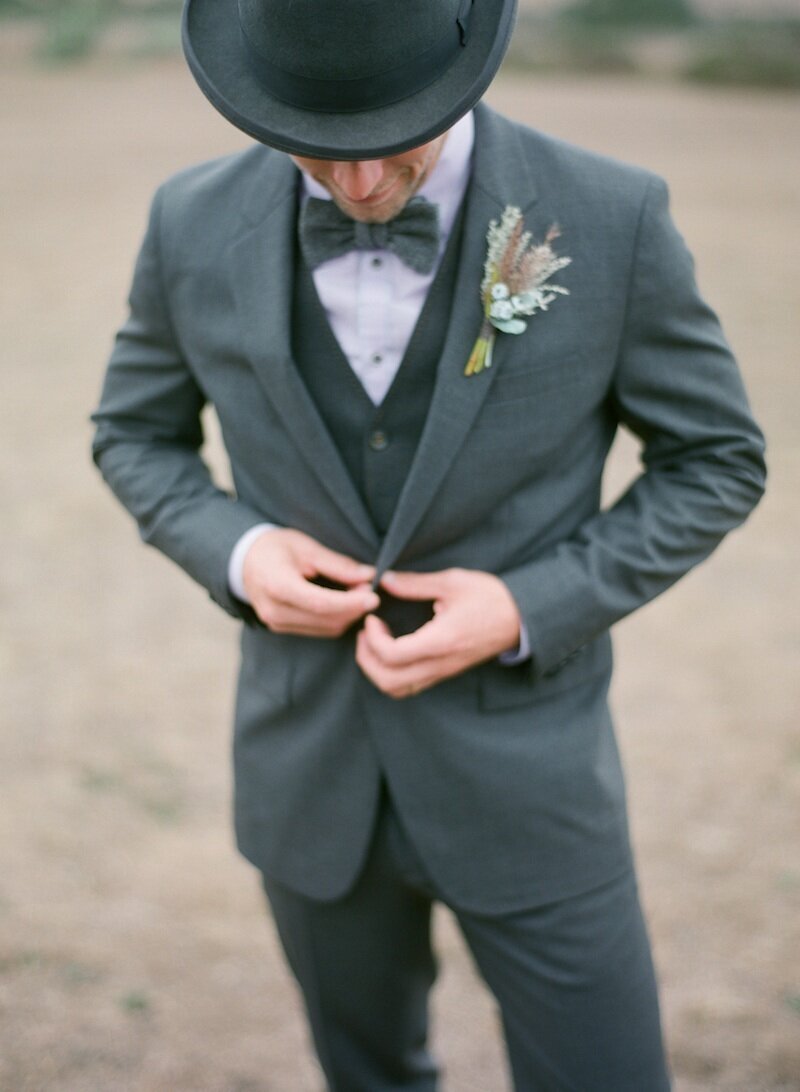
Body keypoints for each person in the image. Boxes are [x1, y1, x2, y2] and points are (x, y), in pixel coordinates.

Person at [91, 0, 766, 1088]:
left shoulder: (611, 214)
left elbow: (715, 459)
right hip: (306, 780)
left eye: (388, 146)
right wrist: (237, 550)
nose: (357, 186)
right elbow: (133, 433)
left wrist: (527, 605)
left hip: (532, 783)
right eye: (317, 152)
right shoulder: (186, 222)